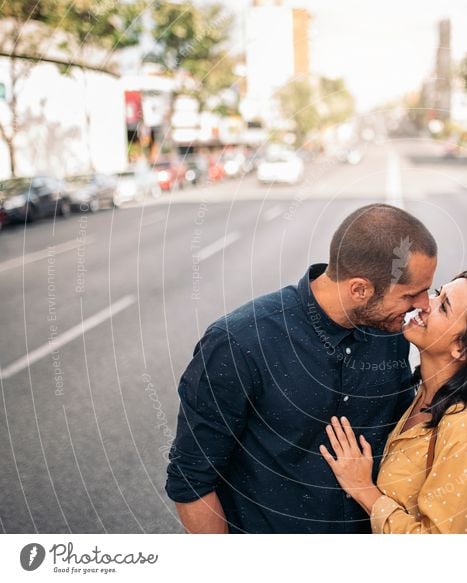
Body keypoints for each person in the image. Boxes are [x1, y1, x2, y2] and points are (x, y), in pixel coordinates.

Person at [165, 203, 437, 533]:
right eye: (412, 295)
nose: (423, 306)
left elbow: (401, 439)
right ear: (359, 289)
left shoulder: (389, 331)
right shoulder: (239, 343)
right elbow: (192, 479)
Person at [321, 271, 467, 533]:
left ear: (461, 347)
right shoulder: (425, 398)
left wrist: (363, 489)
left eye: (443, 306)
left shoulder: (466, 429)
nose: (424, 303)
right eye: (438, 293)